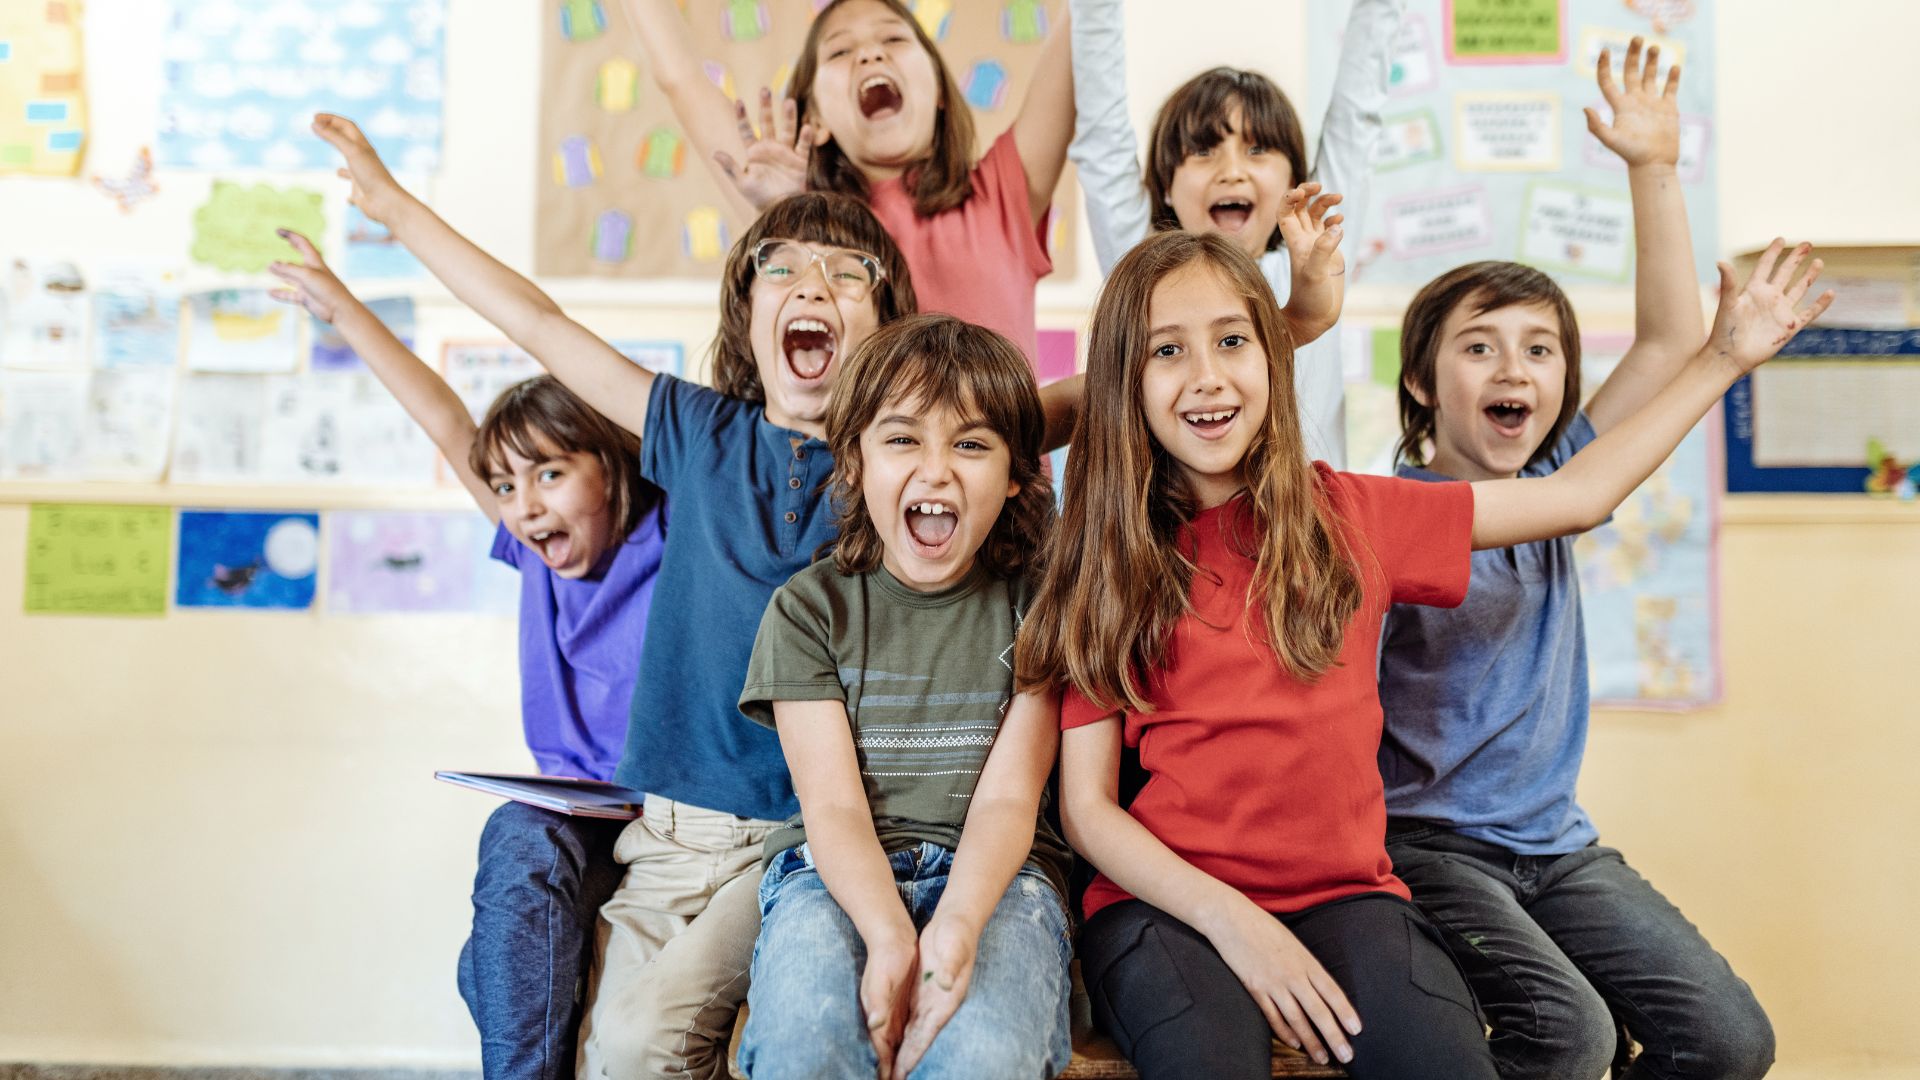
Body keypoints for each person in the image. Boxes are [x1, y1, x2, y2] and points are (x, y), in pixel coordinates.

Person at [1017, 229, 1831, 1077]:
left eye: (1232, 341)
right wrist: (1236, 923)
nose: (1208, 376)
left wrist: (1724, 359)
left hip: (1348, 898)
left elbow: (1579, 495)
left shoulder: (1357, 516)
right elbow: (1089, 810)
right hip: (1164, 908)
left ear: (1273, 358)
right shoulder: (1105, 560)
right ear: (1122, 382)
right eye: (1167, 351)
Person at [1377, 41, 1778, 1079]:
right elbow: (1673, 386)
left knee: (1728, 1042)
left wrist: (1654, 168)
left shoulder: (1557, 470)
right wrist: (1723, 359)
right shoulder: (1399, 511)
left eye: (1540, 348)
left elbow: (1667, 343)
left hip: (1556, 846)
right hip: (1429, 849)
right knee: (1570, 1037)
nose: (1514, 367)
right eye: (1479, 346)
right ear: (1421, 383)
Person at [268, 233, 663, 1080]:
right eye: (506, 486)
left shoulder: (672, 541)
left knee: (486, 965)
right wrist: (344, 310)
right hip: (576, 822)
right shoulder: (533, 549)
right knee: (512, 848)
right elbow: (448, 422)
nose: (523, 506)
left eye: (549, 474)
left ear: (611, 466)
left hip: (671, 823)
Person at [736, 314, 1073, 1080]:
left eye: (971, 445)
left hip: (1001, 879)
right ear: (855, 462)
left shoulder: (1040, 609)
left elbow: (1007, 801)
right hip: (830, 876)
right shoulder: (808, 611)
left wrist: (955, 927)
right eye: (902, 439)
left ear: (1015, 475)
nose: (936, 471)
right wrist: (890, 935)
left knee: (984, 1058)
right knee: (804, 1050)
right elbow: (833, 808)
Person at [625, 0, 1075, 358]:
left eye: (894, 38)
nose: (871, 53)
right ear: (815, 118)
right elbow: (681, 78)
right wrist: (785, 212)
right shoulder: (800, 214)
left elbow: (1081, 26)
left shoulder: (1002, 192)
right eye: (840, 51)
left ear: (939, 89)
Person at [1066, 0, 1404, 464]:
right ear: (1165, 187)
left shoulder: (1313, 258)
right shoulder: (1145, 271)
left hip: (1307, 510)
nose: (1231, 171)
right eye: (1203, 152)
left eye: (1257, 149)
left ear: (1294, 180)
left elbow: (1356, 116)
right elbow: (1102, 141)